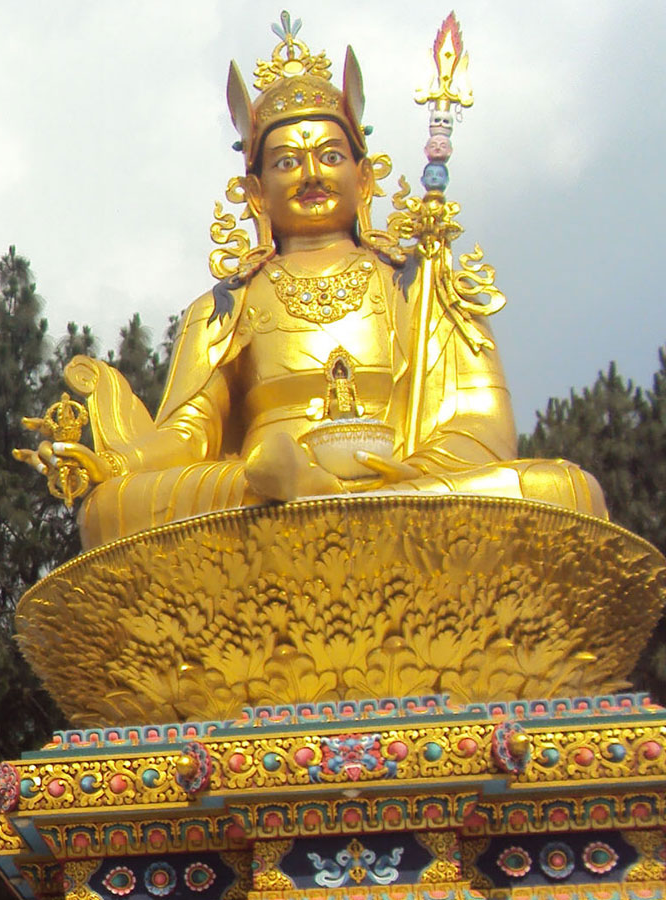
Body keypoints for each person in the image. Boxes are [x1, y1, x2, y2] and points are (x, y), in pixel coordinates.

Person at [30, 24, 602, 549]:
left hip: (405, 486)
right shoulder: (225, 307)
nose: (310, 175)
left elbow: (480, 422)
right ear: (256, 194)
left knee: (565, 491)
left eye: (330, 156)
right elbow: (186, 435)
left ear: (365, 177)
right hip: (263, 487)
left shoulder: (423, 285)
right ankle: (297, 481)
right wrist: (115, 462)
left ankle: (333, 494)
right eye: (286, 162)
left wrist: (416, 473)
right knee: (112, 509)